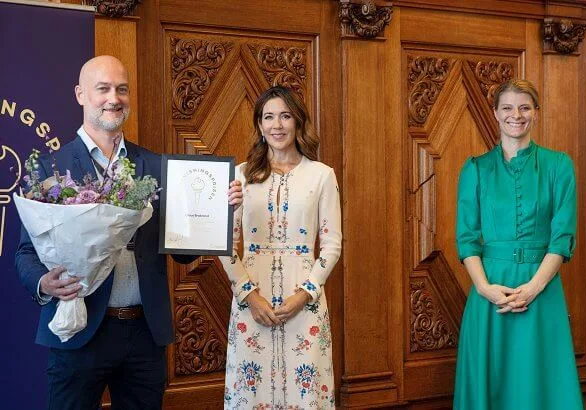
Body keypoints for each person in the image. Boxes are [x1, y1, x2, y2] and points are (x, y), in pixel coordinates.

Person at [14, 55, 243, 410]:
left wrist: (218, 213)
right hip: (78, 329)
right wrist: (45, 284)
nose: (114, 98)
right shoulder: (51, 168)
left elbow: (181, 250)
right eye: (103, 88)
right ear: (80, 94)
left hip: (144, 334)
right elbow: (26, 254)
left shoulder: (155, 166)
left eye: (122, 90)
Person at [454, 78, 583, 409]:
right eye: (508, 108)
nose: (516, 115)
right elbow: (466, 239)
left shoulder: (559, 166)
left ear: (536, 113)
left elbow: (562, 237)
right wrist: (484, 288)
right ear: (496, 114)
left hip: (542, 290)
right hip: (490, 291)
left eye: (525, 107)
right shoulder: (476, 169)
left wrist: (534, 288)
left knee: (540, 382)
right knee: (492, 382)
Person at [219, 86, 341, 409]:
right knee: (252, 393)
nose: (277, 125)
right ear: (259, 125)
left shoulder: (322, 176)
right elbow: (224, 245)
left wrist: (304, 295)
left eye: (285, 116)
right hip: (251, 300)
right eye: (269, 117)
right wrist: (250, 296)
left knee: (306, 394)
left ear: (298, 122)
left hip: (304, 301)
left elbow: (331, 246)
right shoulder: (241, 176)